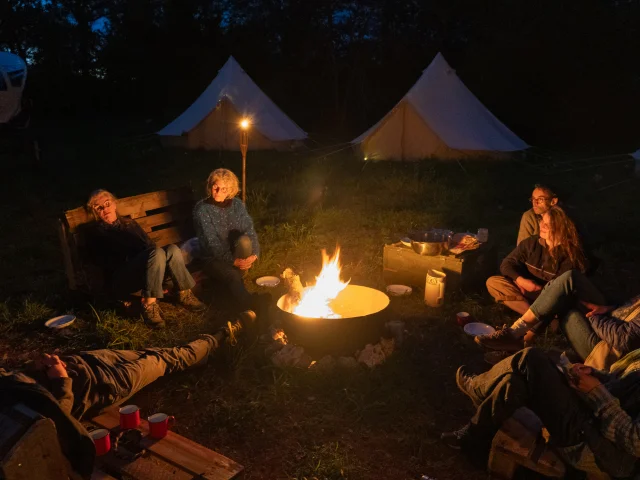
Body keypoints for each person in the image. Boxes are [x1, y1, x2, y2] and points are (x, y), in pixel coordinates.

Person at [0, 311, 255, 478]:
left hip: (86, 361)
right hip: (104, 385)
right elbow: (57, 423)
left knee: (161, 354)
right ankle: (223, 335)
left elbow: (20, 381)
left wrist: (37, 366)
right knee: (168, 359)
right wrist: (62, 380)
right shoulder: (14, 426)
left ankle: (202, 354)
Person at [442, 347, 640, 479]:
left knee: (531, 359)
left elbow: (634, 440)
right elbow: (624, 386)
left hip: (600, 449)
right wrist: (596, 376)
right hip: (593, 417)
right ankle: (473, 438)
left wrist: (596, 392)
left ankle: (477, 388)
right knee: (520, 380)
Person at [82, 189, 205, 328]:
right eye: (99, 207)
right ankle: (149, 305)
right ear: (95, 212)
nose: (105, 209)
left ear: (114, 205)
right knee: (156, 253)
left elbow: (150, 246)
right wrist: (138, 258)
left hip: (145, 273)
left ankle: (184, 293)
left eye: (107, 203)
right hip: (122, 278)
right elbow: (102, 262)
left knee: (172, 249)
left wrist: (151, 265)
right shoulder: (95, 233)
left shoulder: (130, 224)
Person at [477, 269, 638, 364]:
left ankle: (516, 336)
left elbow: (624, 339)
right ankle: (517, 337)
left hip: (604, 352)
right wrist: (608, 308)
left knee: (562, 291)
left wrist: (595, 316)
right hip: (606, 323)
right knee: (562, 286)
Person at [486, 205, 589, 321]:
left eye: (548, 225)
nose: (542, 226)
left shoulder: (572, 256)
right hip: (523, 290)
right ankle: (536, 319)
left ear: (562, 228)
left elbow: (568, 290)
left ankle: (534, 318)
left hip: (550, 298)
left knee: (567, 307)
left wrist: (538, 289)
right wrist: (520, 280)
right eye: (542, 221)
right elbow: (507, 264)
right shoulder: (532, 243)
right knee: (493, 282)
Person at [193, 169, 261, 311]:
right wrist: (233, 261)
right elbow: (211, 243)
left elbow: (249, 229)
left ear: (230, 189)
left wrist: (254, 254)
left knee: (245, 241)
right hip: (212, 258)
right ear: (210, 186)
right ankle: (251, 306)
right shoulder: (202, 210)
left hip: (235, 251)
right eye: (215, 187)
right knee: (232, 275)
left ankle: (239, 273)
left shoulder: (236, 205)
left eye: (224, 188)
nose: (218, 191)